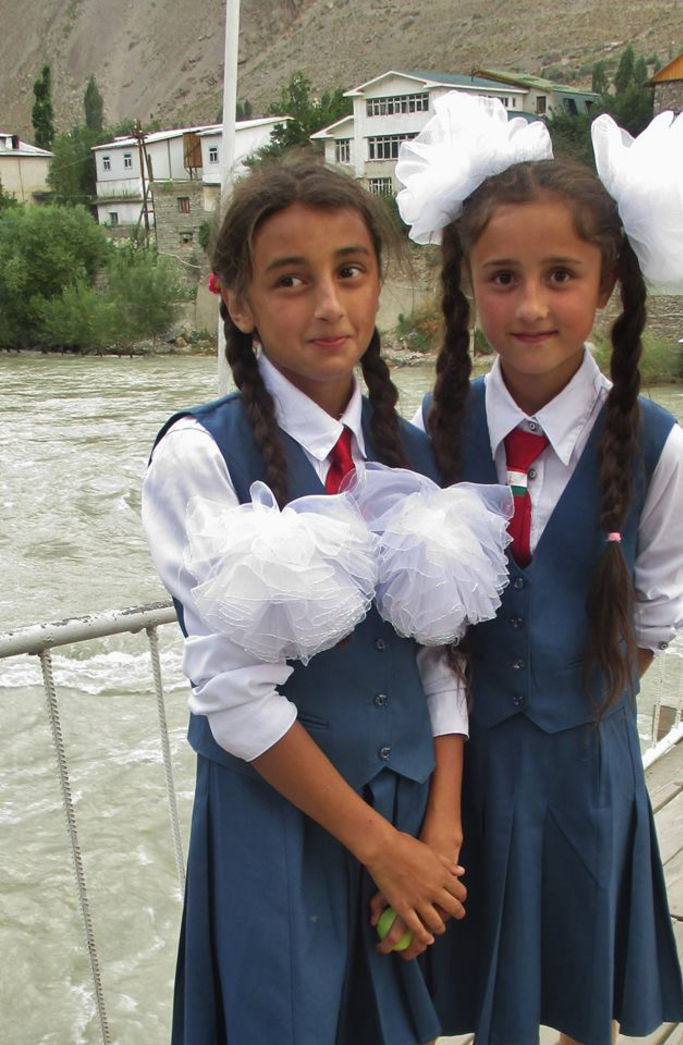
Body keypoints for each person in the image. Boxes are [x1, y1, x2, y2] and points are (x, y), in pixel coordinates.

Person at [395, 93, 683, 1045]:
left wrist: (576, 700)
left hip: (585, 764)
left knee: (578, 976)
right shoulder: (438, 429)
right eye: (502, 276)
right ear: (467, 282)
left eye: (559, 275)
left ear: (606, 282)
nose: (530, 305)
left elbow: (657, 610)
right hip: (462, 767)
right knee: (466, 982)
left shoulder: (653, 445)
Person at [141, 159, 471, 1045]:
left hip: (407, 816)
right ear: (239, 303)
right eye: (291, 280)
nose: (329, 305)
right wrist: (382, 848)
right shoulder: (200, 458)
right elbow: (234, 691)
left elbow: (439, 654)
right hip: (279, 828)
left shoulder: (411, 449)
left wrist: (437, 831)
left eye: (350, 270)